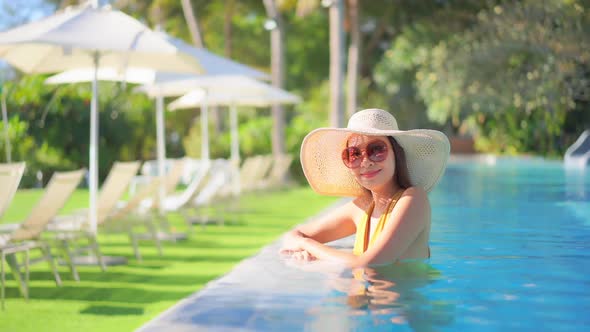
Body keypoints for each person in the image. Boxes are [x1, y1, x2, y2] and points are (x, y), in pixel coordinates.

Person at [280, 108, 450, 267]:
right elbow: (292, 236)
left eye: (376, 150)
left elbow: (368, 264)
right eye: (353, 154)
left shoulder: (413, 200)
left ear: (396, 154)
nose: (366, 162)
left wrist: (308, 245)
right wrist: (304, 244)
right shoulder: (362, 208)